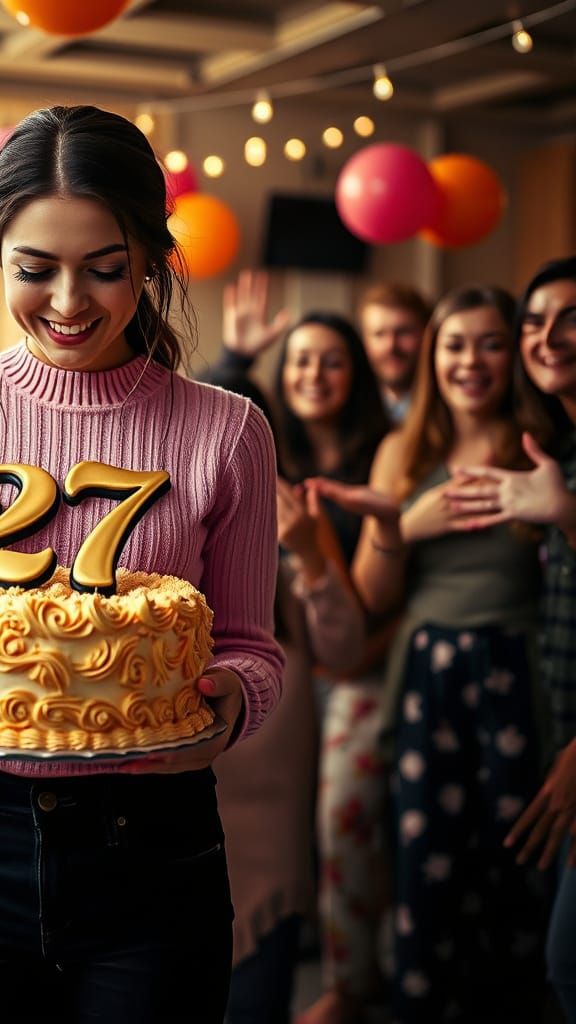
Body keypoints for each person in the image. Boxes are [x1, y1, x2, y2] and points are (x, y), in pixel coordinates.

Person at [0, 104, 284, 1024]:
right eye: (34, 270)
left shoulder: (228, 430)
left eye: (105, 269)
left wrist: (231, 706)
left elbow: (252, 647)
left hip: (154, 847)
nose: (68, 302)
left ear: (156, 260)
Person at [314, 284, 547, 1022]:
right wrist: (408, 525)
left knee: (514, 863)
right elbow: (374, 596)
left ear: (512, 354)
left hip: (518, 673)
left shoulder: (539, 442)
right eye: (454, 344)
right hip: (427, 676)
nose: (470, 361)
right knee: (425, 861)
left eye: (489, 343)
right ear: (432, 360)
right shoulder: (403, 449)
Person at [206, 373, 366, 1024]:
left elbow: (345, 647)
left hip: (269, 821)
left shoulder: (290, 521)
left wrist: (309, 557)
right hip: (171, 805)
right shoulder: (149, 524)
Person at [442, 257, 576, 1020]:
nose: (548, 337)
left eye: (569, 317)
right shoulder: (556, 447)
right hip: (555, 729)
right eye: (535, 321)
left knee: (563, 963)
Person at [263, 313, 391, 1024]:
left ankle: (350, 978)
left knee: (341, 807)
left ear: (356, 374)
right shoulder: (263, 449)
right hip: (290, 661)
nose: (314, 375)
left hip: (362, 663)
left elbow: (384, 597)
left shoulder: (383, 458)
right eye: (301, 360)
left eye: (332, 361)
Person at [356, 283, 430, 424]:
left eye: (403, 332)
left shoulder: (450, 413)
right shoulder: (350, 413)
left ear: (426, 335)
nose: (391, 346)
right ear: (364, 341)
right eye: (379, 334)